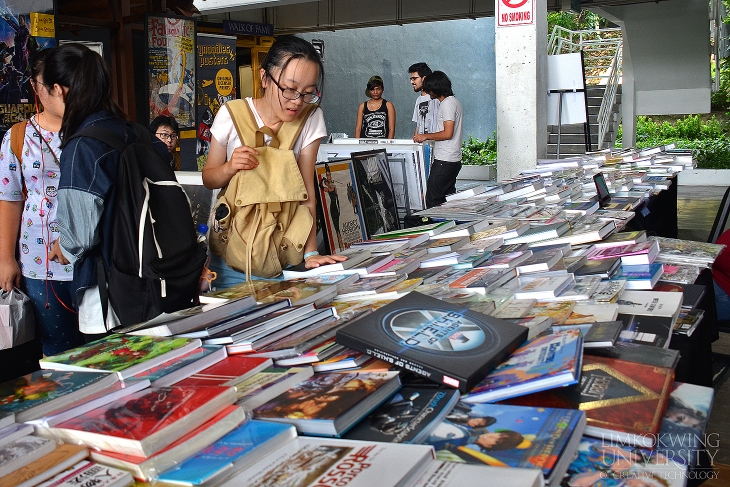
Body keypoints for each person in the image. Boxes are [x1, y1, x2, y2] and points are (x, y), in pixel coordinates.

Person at [46, 43, 169, 340]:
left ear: (59, 91)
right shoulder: (141, 134)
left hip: (112, 297)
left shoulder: (82, 147)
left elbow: (80, 236)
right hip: (160, 281)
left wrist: (62, 248)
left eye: (42, 87)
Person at [202, 36, 345, 288]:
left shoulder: (311, 118)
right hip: (230, 259)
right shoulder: (231, 114)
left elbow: (306, 191)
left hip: (283, 256)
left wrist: (310, 253)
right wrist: (230, 167)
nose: (297, 101)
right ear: (265, 78)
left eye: (308, 93)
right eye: (290, 89)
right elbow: (209, 178)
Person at [0, 49, 82, 356]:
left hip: (93, 262)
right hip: (39, 264)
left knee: (105, 350)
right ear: (38, 87)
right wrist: (5, 259)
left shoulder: (92, 130)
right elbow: (8, 200)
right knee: (57, 349)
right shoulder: (19, 136)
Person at [413, 71, 463, 208]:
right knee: (447, 200)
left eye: (429, 89)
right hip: (451, 159)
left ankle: (433, 228)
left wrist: (426, 136)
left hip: (445, 161)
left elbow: (448, 133)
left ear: (436, 88)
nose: (428, 92)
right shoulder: (453, 102)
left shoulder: (447, 104)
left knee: (433, 200)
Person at [408, 62, 439, 137]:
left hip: (436, 144)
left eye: (414, 78)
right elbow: (418, 125)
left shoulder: (436, 98)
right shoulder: (419, 100)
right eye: (411, 79)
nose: (411, 82)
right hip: (422, 145)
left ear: (424, 78)